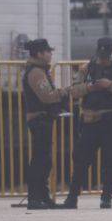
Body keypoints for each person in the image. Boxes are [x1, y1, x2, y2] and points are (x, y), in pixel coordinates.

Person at [62, 37, 112, 209]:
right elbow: (75, 91)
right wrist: (89, 87)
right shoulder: (86, 68)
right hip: (90, 120)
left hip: (111, 120)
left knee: (111, 161)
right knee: (81, 161)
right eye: (101, 55)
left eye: (106, 55)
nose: (103, 59)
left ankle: (106, 197)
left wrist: (110, 85)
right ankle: (72, 198)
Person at [21, 39, 91, 210]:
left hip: (43, 118)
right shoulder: (36, 72)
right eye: (48, 52)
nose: (51, 54)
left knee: (44, 160)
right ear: (39, 54)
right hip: (39, 119)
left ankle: (43, 197)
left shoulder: (40, 70)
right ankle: (34, 198)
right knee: (40, 160)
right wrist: (65, 91)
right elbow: (47, 96)